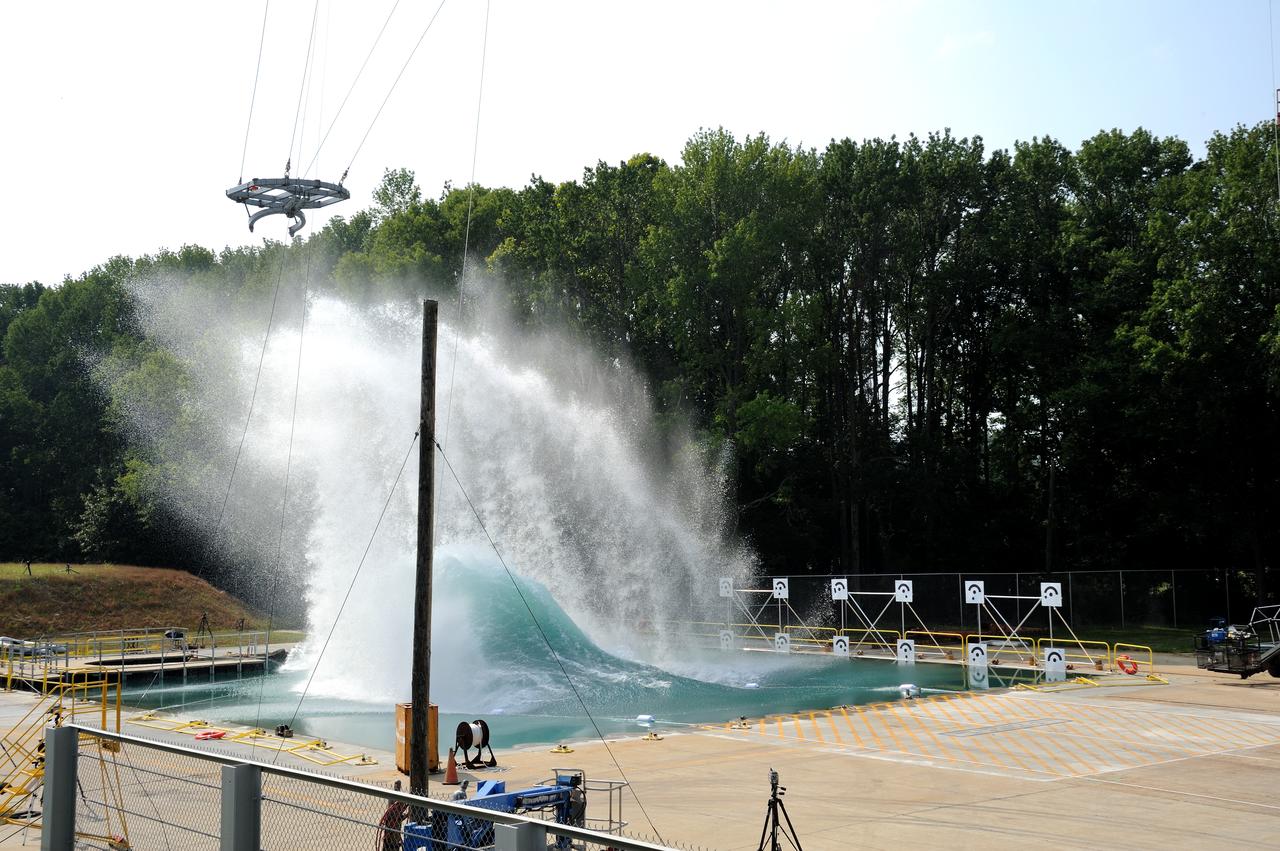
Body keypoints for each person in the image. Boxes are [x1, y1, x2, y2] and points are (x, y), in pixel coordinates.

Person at [376, 780, 408, 851]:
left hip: (393, 824)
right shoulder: (395, 797)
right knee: (392, 841)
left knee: (392, 840)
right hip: (392, 823)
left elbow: (398, 813)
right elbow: (396, 814)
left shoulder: (396, 797)